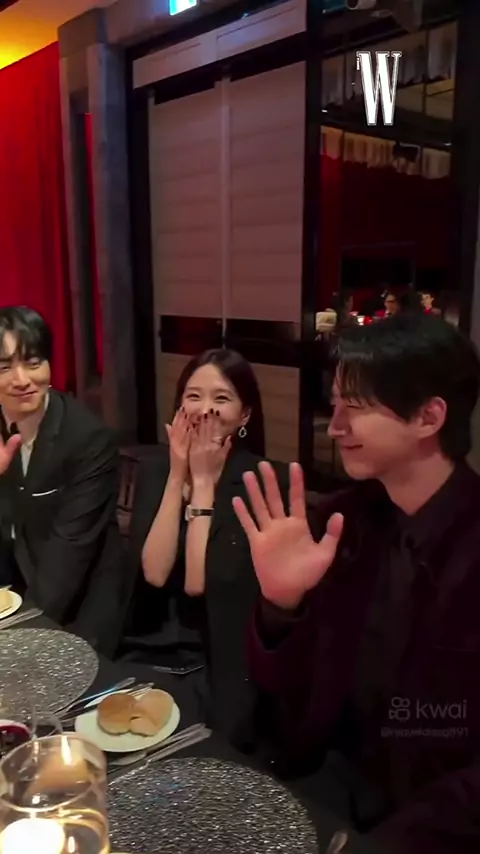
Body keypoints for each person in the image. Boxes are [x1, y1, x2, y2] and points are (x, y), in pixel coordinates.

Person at [234, 314, 480, 853]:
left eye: (357, 406)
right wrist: (280, 607)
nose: (335, 426)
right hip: (317, 784)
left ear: (429, 416)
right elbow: (284, 698)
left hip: (425, 829)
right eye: (336, 403)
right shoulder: (341, 522)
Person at [125, 348, 288, 739]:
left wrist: (201, 483)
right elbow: (155, 572)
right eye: (194, 396)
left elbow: (198, 583)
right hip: (150, 646)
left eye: (222, 398)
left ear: (245, 415)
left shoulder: (262, 481)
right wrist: (177, 474)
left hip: (215, 656)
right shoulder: (157, 468)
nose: (205, 409)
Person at [0, 306, 126, 656]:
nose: (22, 380)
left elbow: (67, 557)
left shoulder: (88, 439)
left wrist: (15, 641)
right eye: (4, 367)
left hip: (78, 611)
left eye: (33, 362)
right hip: (13, 594)